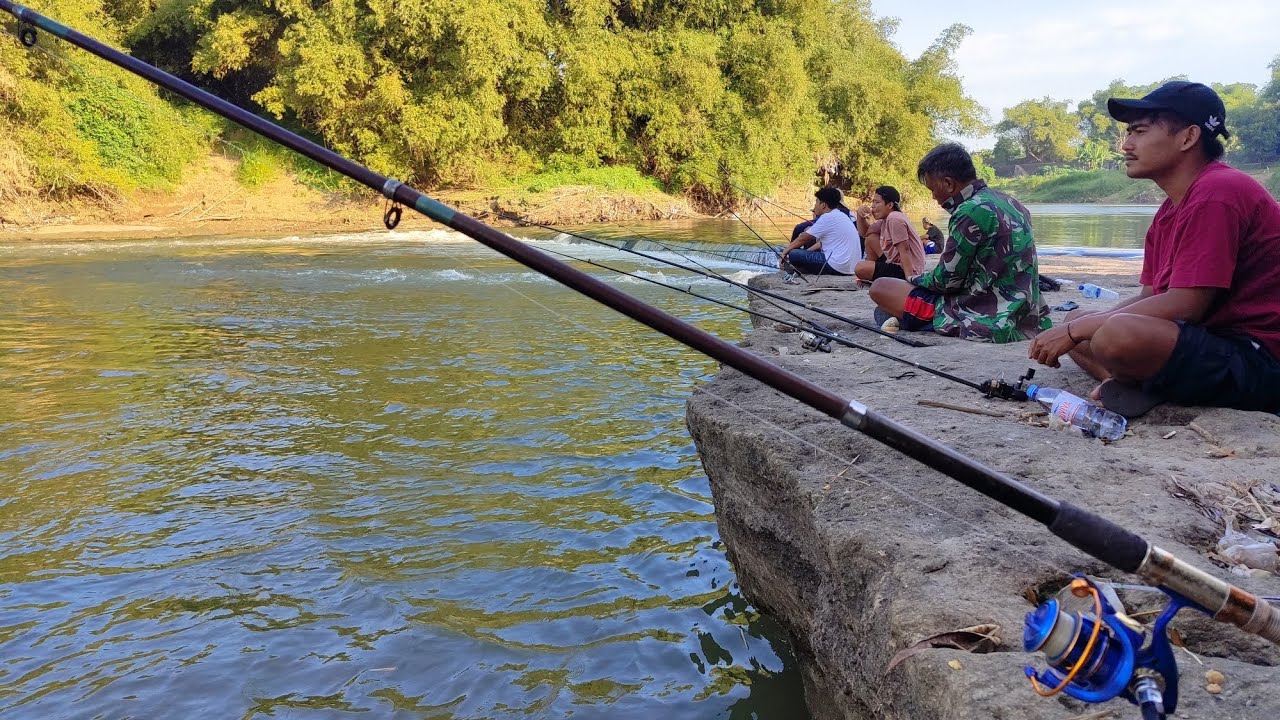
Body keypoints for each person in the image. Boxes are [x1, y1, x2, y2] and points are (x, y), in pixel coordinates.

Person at [1027, 81, 1280, 417]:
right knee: (1080, 316)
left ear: (1188, 138)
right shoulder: (1169, 211)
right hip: (1212, 341)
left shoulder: (1219, 191)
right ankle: (1132, 385)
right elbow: (1150, 295)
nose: (1126, 145)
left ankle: (1141, 385)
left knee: (1111, 333)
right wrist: (1079, 325)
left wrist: (1079, 331)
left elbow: (1189, 304)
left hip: (1259, 355)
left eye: (1140, 131)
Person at [868, 143, 1051, 342]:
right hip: (1026, 314)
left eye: (933, 189)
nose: (934, 197)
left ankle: (917, 318)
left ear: (948, 183)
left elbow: (947, 281)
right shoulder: (1012, 203)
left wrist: (915, 279)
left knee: (880, 287)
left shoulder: (968, 211)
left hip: (985, 313)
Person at [780, 187, 861, 275]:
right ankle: (801, 269)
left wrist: (784, 252)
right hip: (850, 267)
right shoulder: (841, 215)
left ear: (823, 205)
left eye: (816, 202)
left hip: (836, 266)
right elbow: (826, 242)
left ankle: (798, 269)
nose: (815, 206)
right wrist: (807, 252)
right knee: (800, 253)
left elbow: (803, 238)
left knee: (794, 253)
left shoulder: (827, 217)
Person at [854, 186, 925, 282]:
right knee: (871, 238)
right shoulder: (885, 220)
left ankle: (873, 277)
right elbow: (865, 233)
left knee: (860, 268)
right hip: (895, 264)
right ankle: (871, 278)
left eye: (877, 202)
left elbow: (905, 250)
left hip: (906, 269)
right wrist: (860, 216)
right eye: (873, 202)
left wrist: (911, 279)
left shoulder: (894, 218)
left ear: (890, 205)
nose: (873, 206)